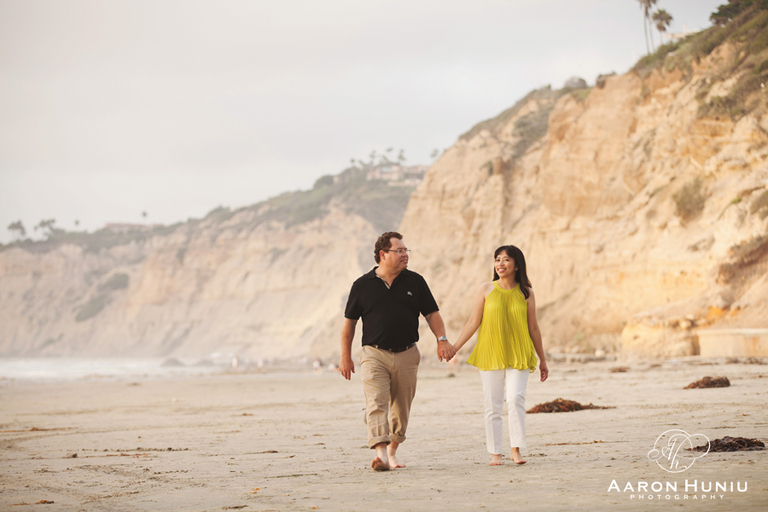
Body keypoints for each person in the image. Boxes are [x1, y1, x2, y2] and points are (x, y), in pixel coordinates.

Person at [340, 231, 456, 471]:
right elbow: (349, 325)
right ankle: (380, 456)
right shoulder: (362, 286)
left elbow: (432, 314)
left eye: (406, 251)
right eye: (400, 251)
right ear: (383, 255)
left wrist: (442, 340)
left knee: (401, 410)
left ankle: (392, 451)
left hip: (407, 353)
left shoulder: (416, 281)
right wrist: (345, 356)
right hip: (374, 354)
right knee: (376, 402)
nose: (405, 255)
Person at [451, 245, 548, 466]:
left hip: (519, 352)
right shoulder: (486, 289)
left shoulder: (526, 293)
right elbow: (473, 322)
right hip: (490, 351)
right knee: (492, 405)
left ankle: (515, 450)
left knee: (515, 399)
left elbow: (533, 327)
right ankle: (496, 453)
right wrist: (454, 347)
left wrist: (543, 360)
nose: (500, 264)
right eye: (497, 260)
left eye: (506, 260)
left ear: (516, 265)